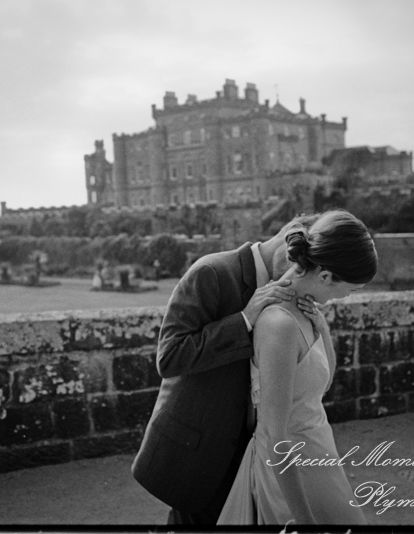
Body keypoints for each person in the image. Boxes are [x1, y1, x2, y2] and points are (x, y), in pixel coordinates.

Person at [131, 213, 320, 525]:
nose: (301, 286)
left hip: (255, 451)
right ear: (290, 248)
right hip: (200, 450)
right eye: (301, 271)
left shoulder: (292, 292)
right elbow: (169, 357)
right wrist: (244, 319)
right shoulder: (211, 272)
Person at [217, 209, 377, 525]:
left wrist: (323, 328)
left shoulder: (307, 312)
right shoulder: (279, 324)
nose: (346, 296)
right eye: (350, 288)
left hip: (319, 452)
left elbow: (322, 385)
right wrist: (304, 521)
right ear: (327, 276)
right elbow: (274, 433)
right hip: (292, 470)